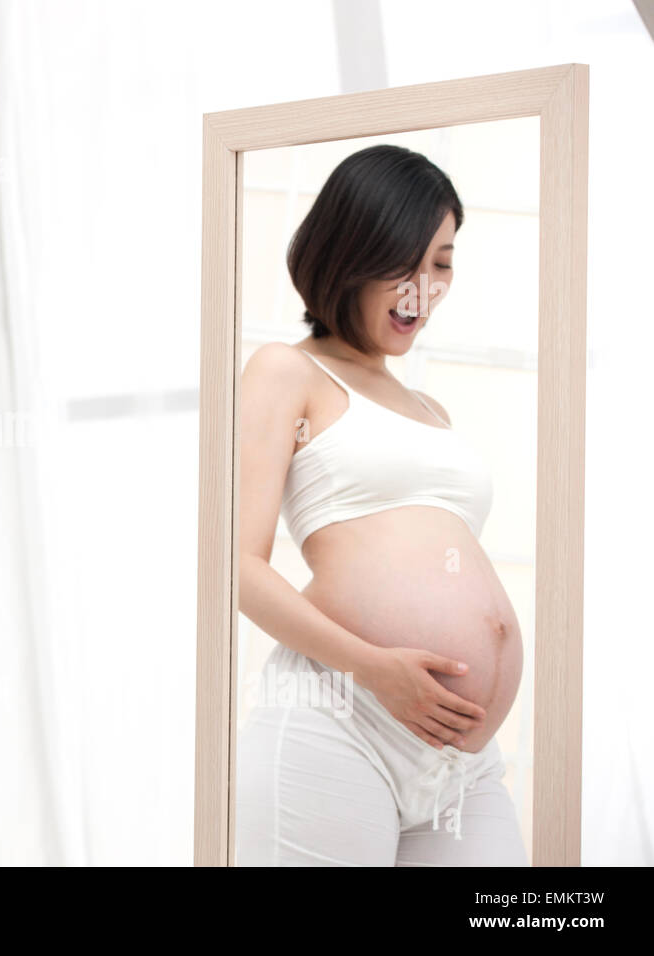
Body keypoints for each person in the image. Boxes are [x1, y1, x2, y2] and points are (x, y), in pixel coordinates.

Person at [235, 144, 527, 866]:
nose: (424, 290)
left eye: (443, 263)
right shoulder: (288, 370)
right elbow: (232, 566)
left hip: (460, 761)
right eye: (404, 262)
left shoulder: (430, 408)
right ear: (349, 254)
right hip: (341, 719)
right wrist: (373, 668)